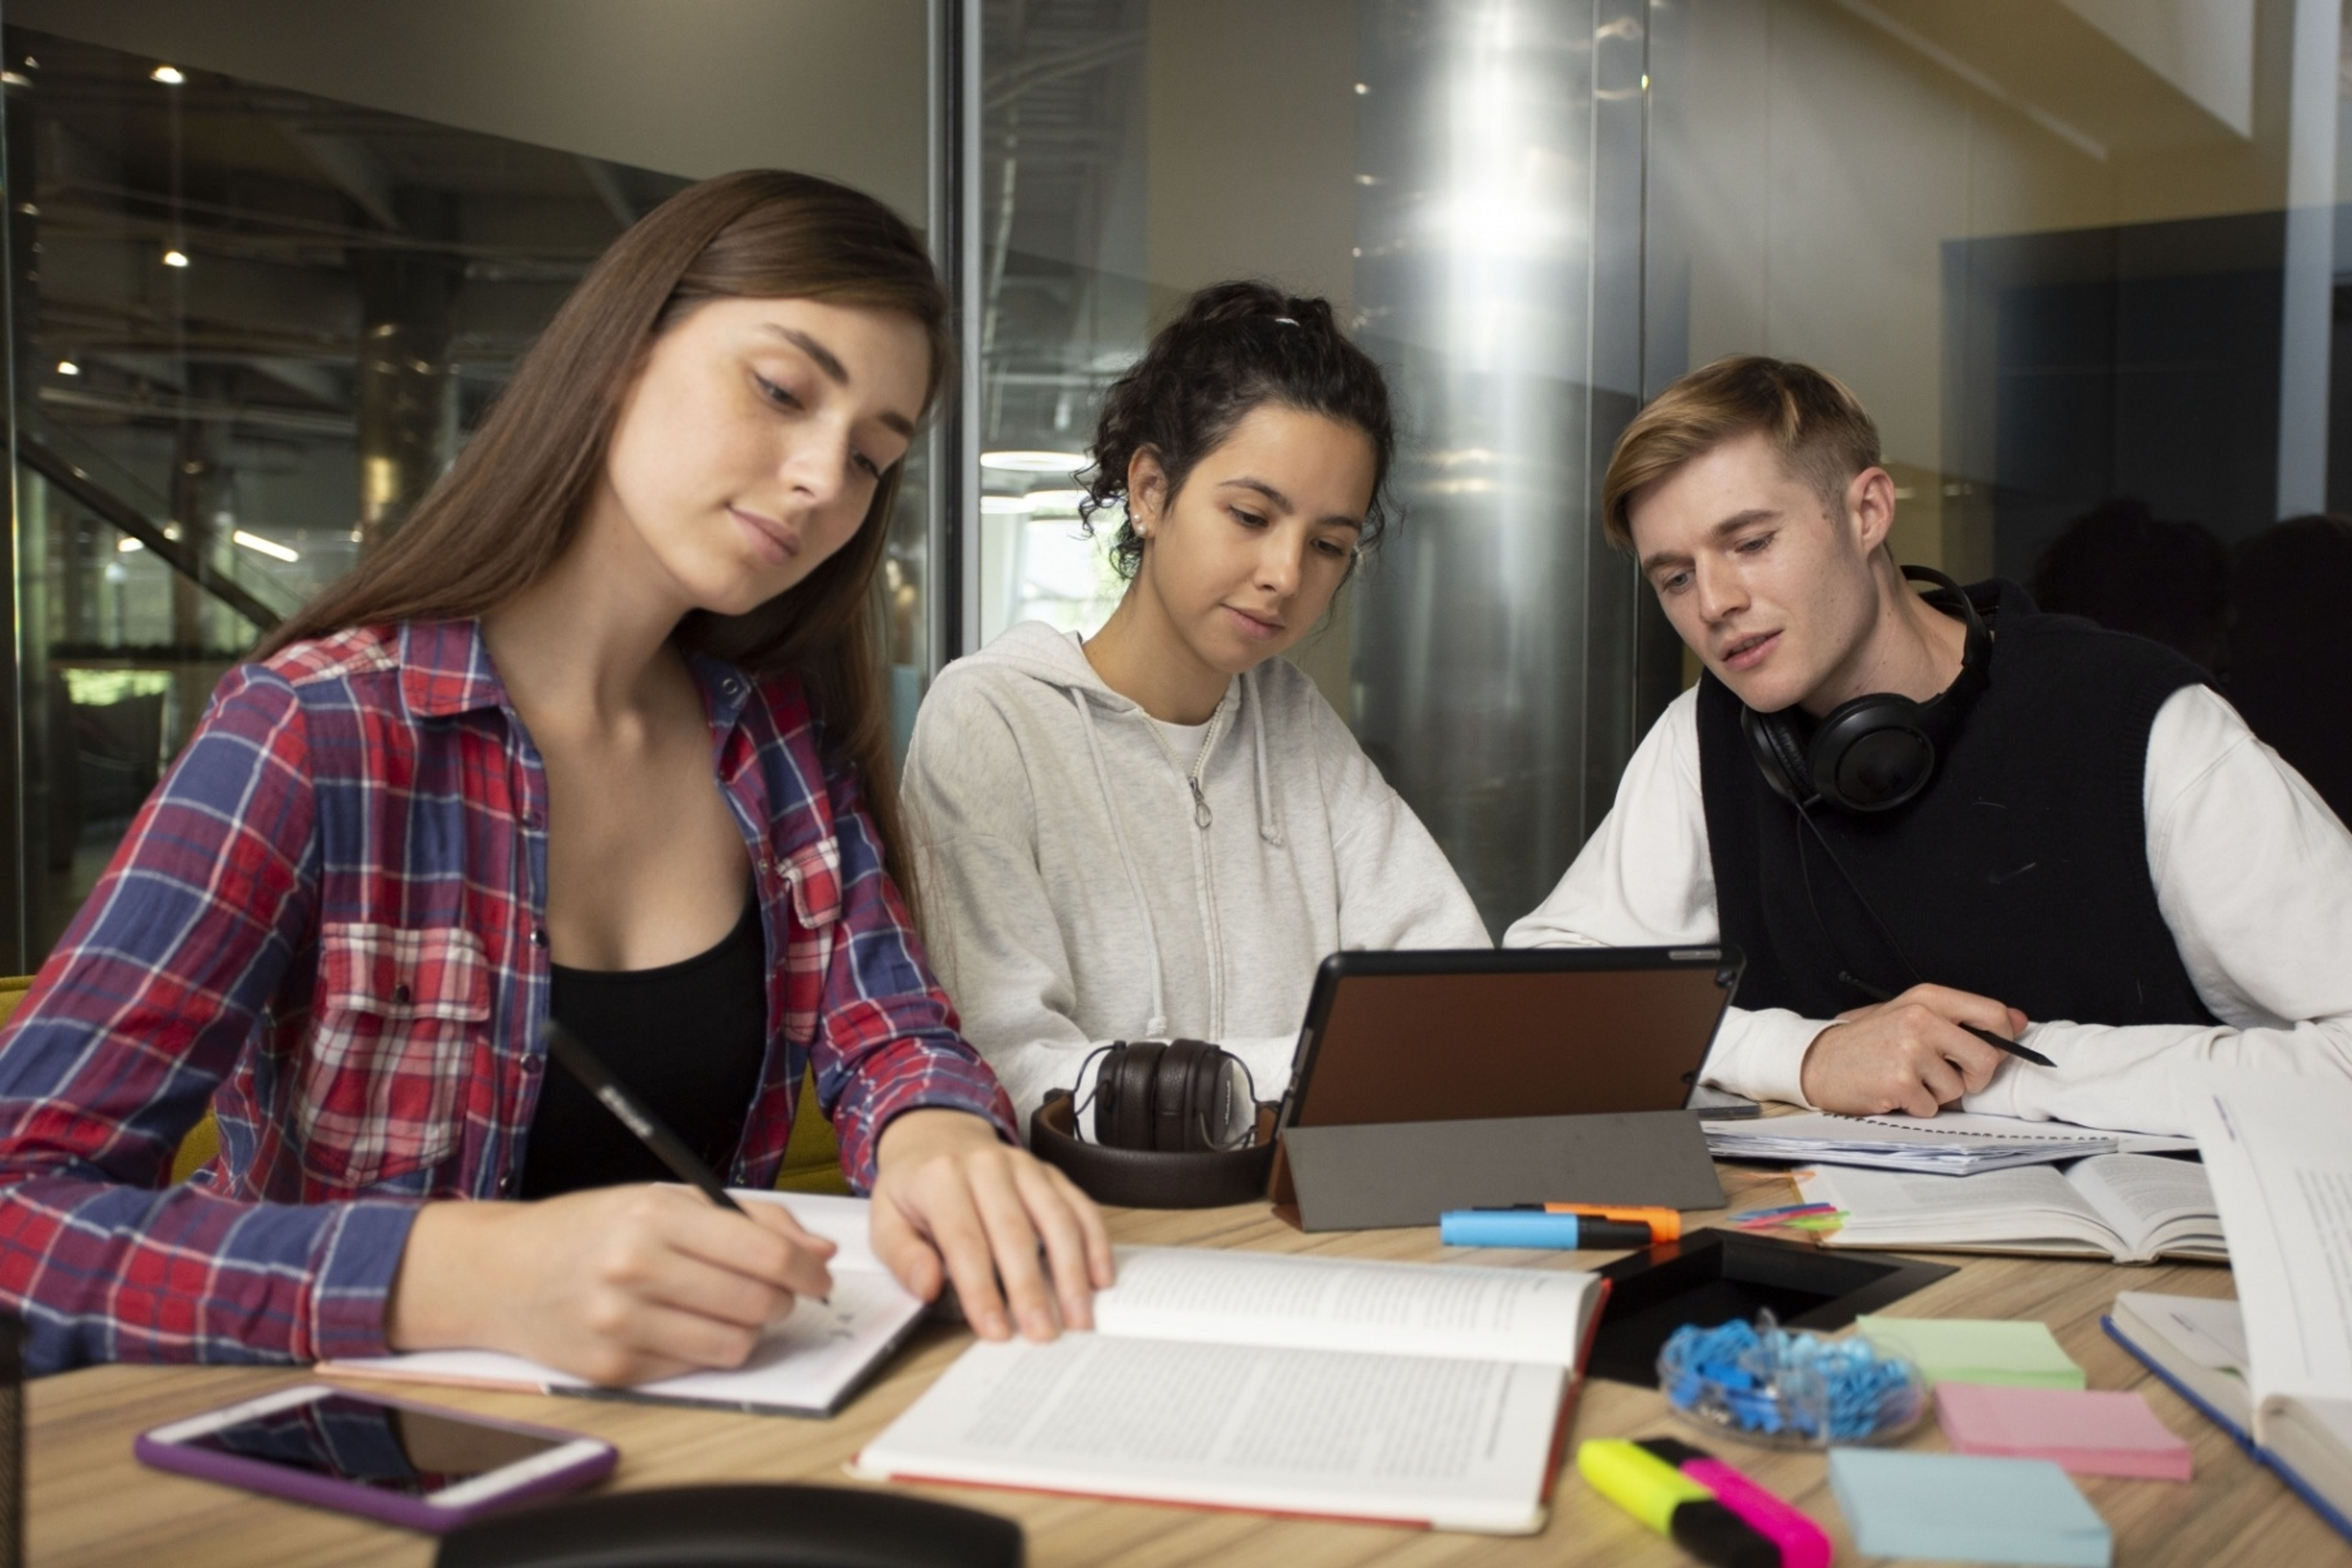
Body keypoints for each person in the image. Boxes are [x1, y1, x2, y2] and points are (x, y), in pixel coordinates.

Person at [0, 170, 1109, 1380]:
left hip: (708, 1433)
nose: (820, 480)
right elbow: (20, 1209)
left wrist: (938, 1134)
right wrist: (459, 1274)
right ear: (620, 354)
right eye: (782, 391)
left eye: (870, 458)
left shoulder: (774, 745)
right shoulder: (317, 731)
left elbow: (889, 1030)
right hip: (351, 1456)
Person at [1507, 355, 2352, 1135]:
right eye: (1676, 577)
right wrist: (1805, 1057)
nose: (1714, 603)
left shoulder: (2142, 720)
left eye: (1752, 543)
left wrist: (1999, 1074)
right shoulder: (1702, 737)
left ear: (1869, 511)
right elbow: (1542, 1004)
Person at [901, 282, 1488, 1131]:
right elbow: (1009, 1069)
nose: (1286, 574)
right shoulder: (992, 720)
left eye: (1329, 545)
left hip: (1289, 1198)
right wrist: (1308, 1073)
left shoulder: (1294, 724)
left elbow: (1451, 995)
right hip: (1093, 1207)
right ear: (1149, 490)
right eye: (1250, 516)